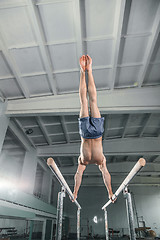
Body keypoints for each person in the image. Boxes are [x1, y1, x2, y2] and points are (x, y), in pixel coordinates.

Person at [72, 55, 115, 202]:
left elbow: (78, 176)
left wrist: (75, 191)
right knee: (91, 101)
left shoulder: (83, 162)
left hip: (88, 133)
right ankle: (88, 71)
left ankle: (83, 71)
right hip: (94, 133)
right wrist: (110, 192)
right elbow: (105, 175)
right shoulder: (99, 161)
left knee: (85, 102)